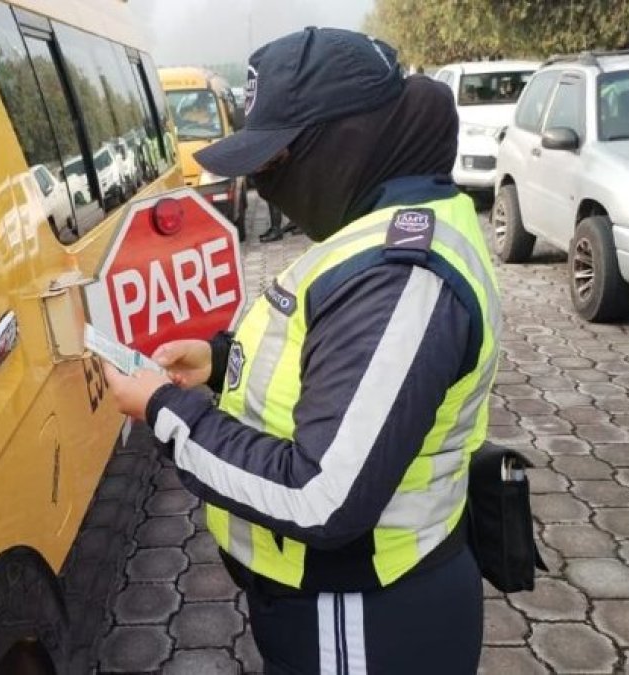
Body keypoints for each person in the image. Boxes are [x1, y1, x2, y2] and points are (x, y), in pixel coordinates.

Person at [105, 28, 501, 674]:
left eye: (276, 162)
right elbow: (334, 361)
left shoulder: (402, 271)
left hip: (361, 618)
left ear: (350, 138)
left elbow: (322, 495)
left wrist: (166, 411)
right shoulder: (376, 228)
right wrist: (220, 354)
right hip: (331, 609)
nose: (267, 187)